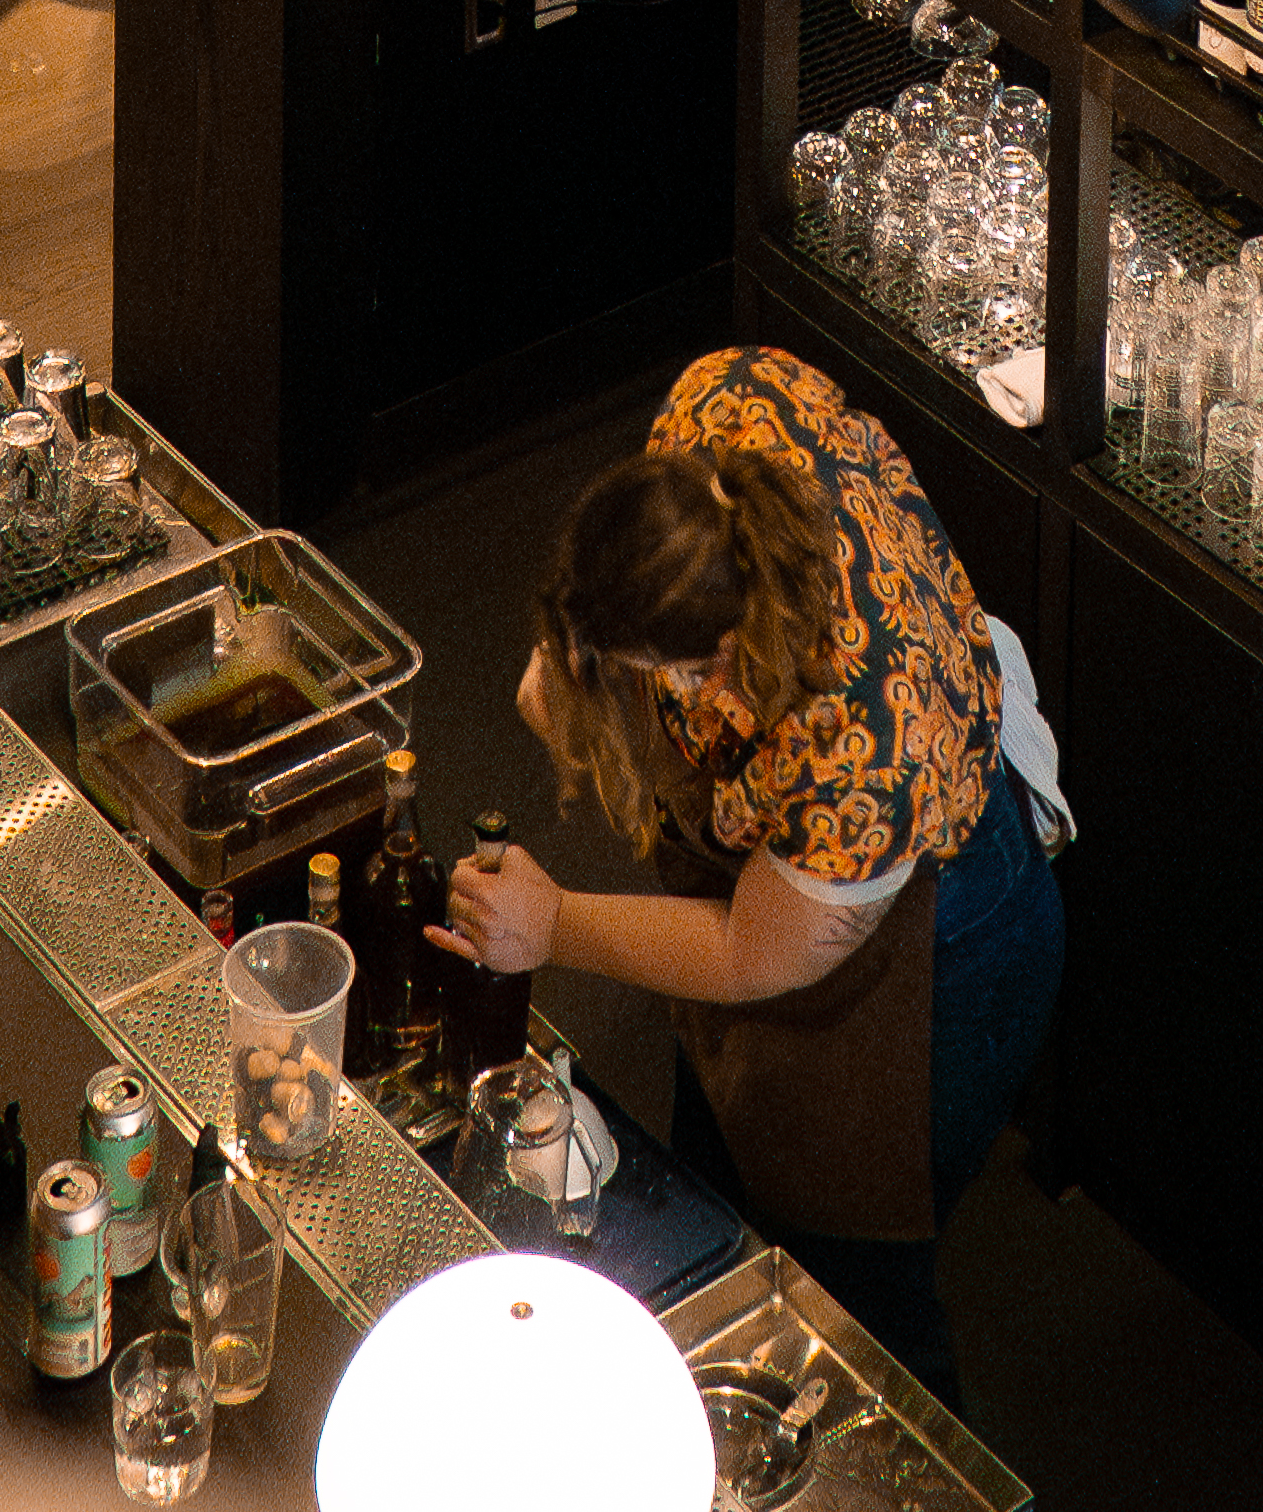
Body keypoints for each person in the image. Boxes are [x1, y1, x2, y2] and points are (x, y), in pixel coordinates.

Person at [437, 348, 1066, 1411]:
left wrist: (555, 925)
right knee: (716, 1192)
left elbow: (748, 949)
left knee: (855, 1297)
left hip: (937, 950)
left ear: (726, 650)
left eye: (673, 674)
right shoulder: (723, 400)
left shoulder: (861, 741)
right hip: (792, 875)